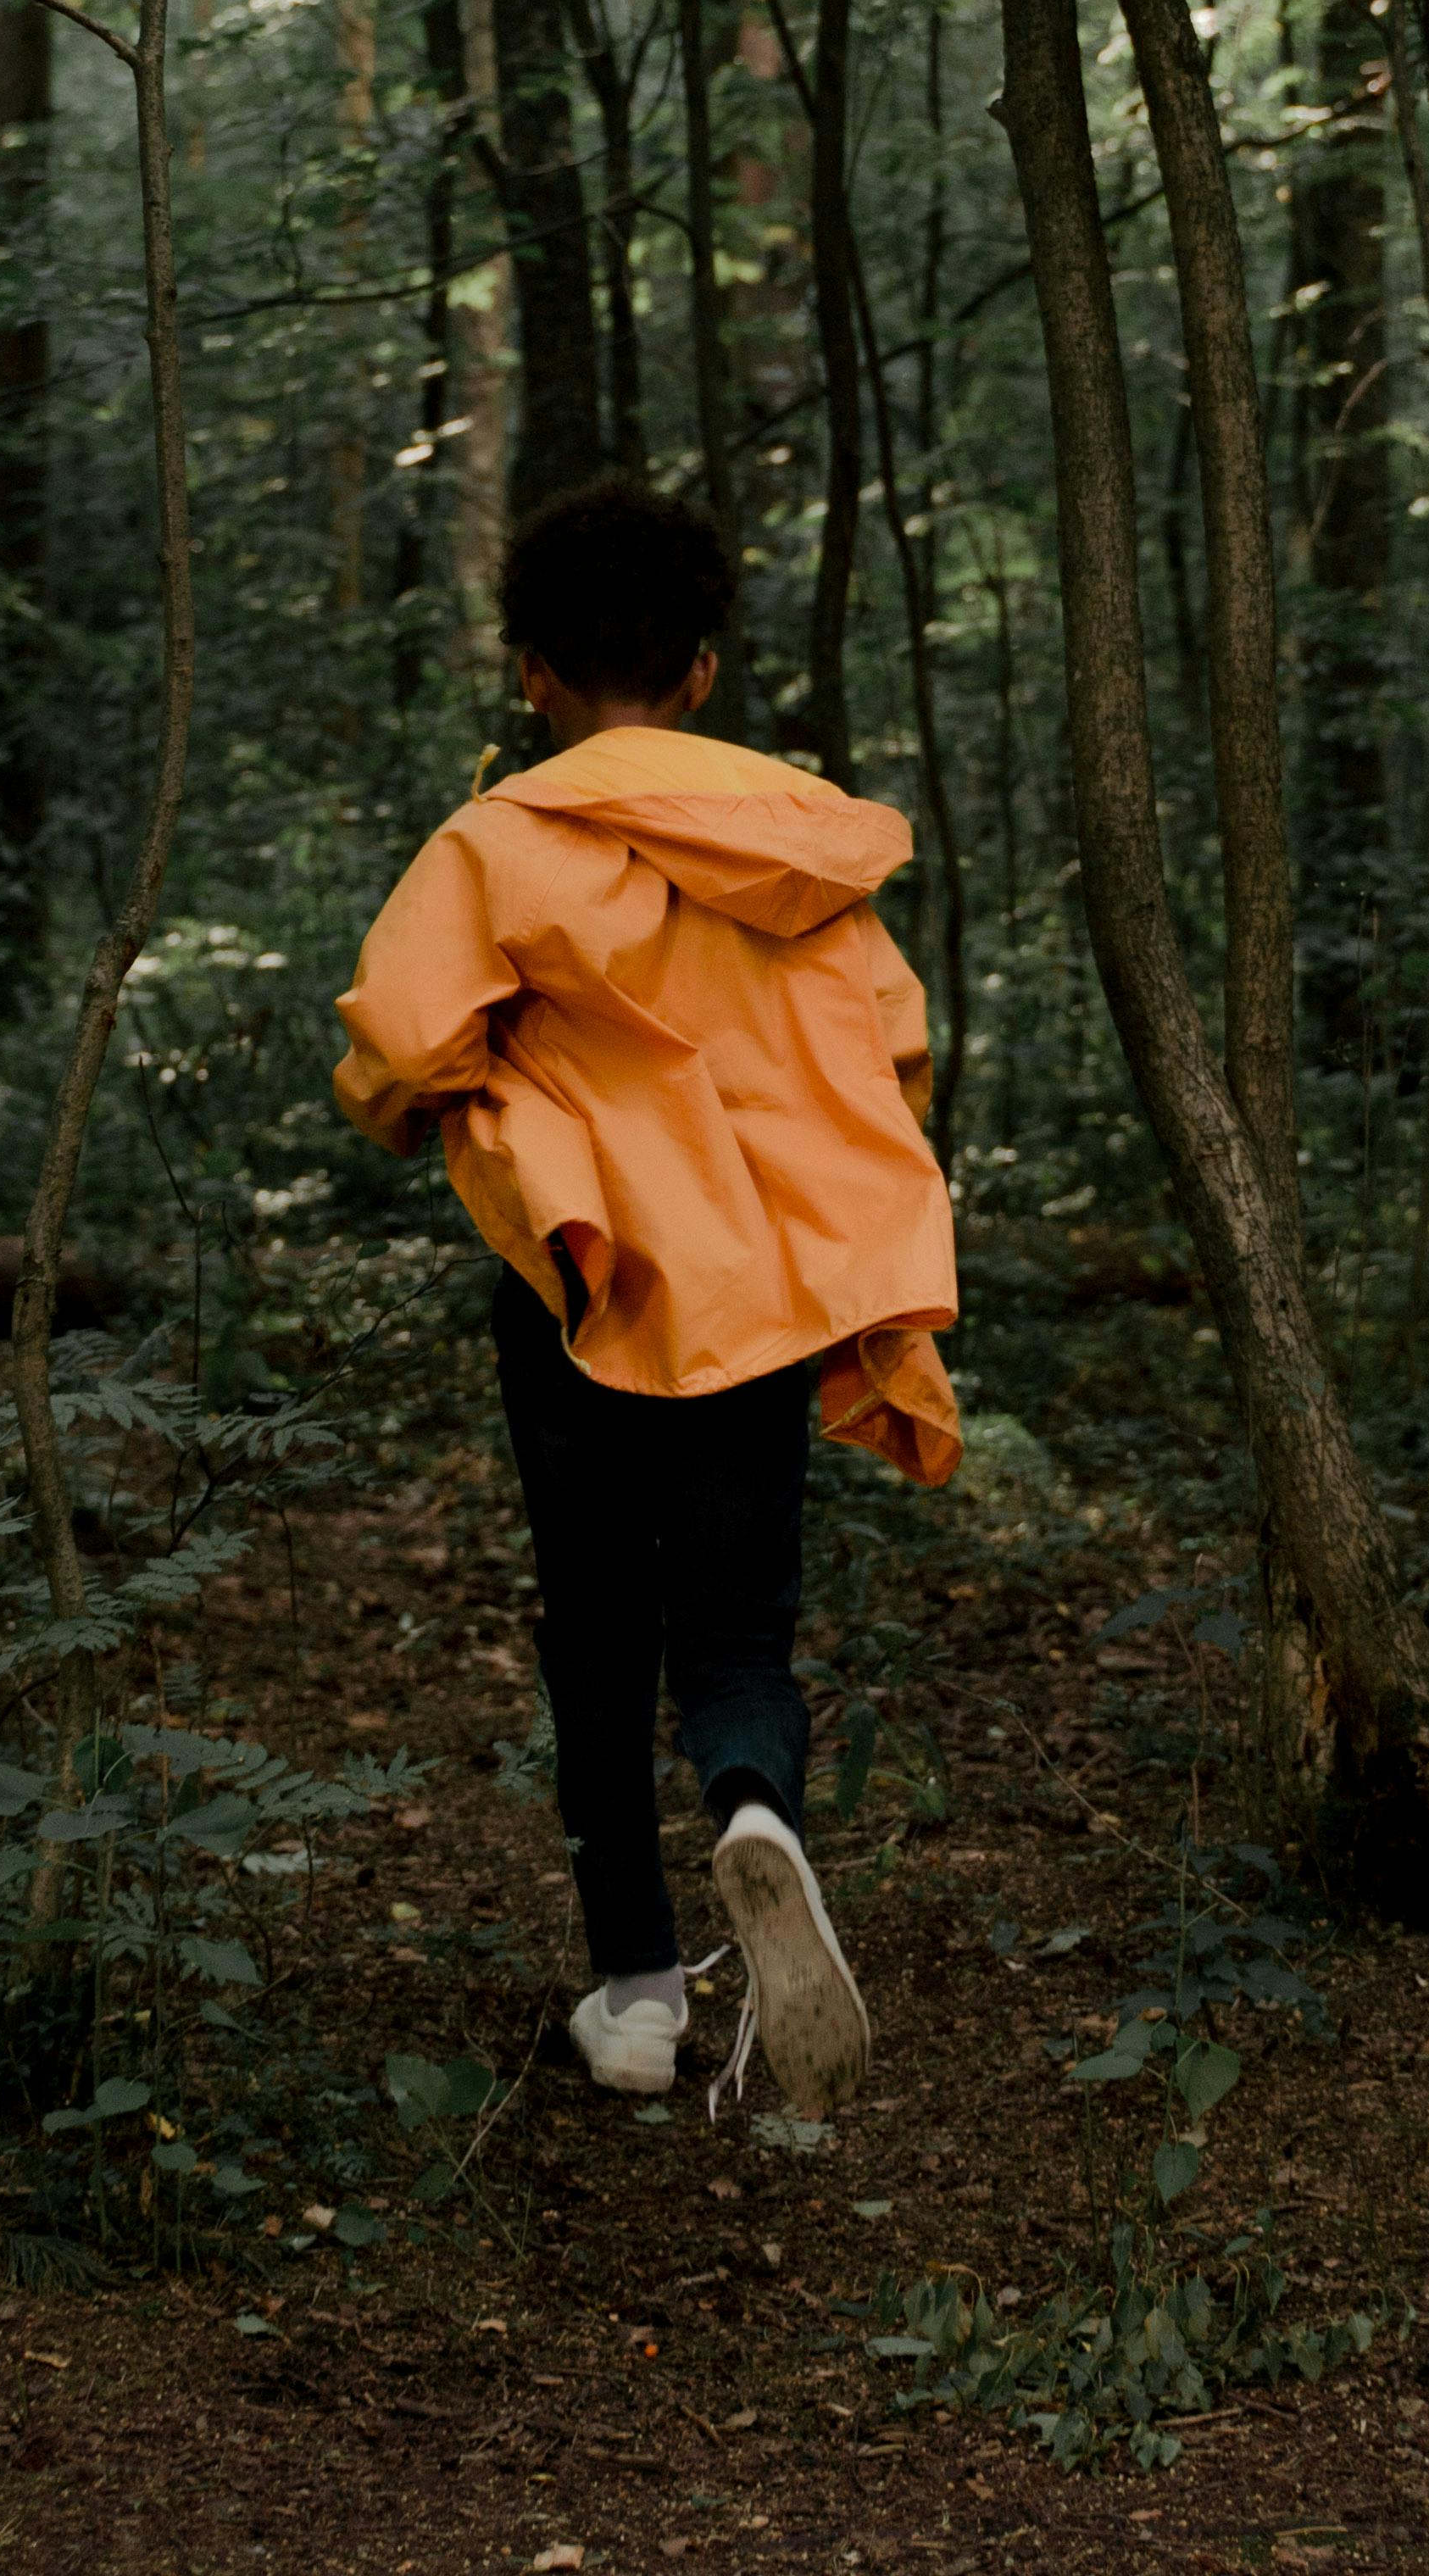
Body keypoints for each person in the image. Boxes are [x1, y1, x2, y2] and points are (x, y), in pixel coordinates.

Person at [334, 481, 959, 2114]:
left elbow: (402, 1042)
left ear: (529, 672)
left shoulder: (498, 841)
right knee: (739, 1622)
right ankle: (759, 1812)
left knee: (594, 1625)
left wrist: (471, 1107)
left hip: (579, 1277)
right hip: (754, 1288)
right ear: (701, 673)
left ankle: (633, 1995)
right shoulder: (802, 847)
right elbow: (890, 1053)